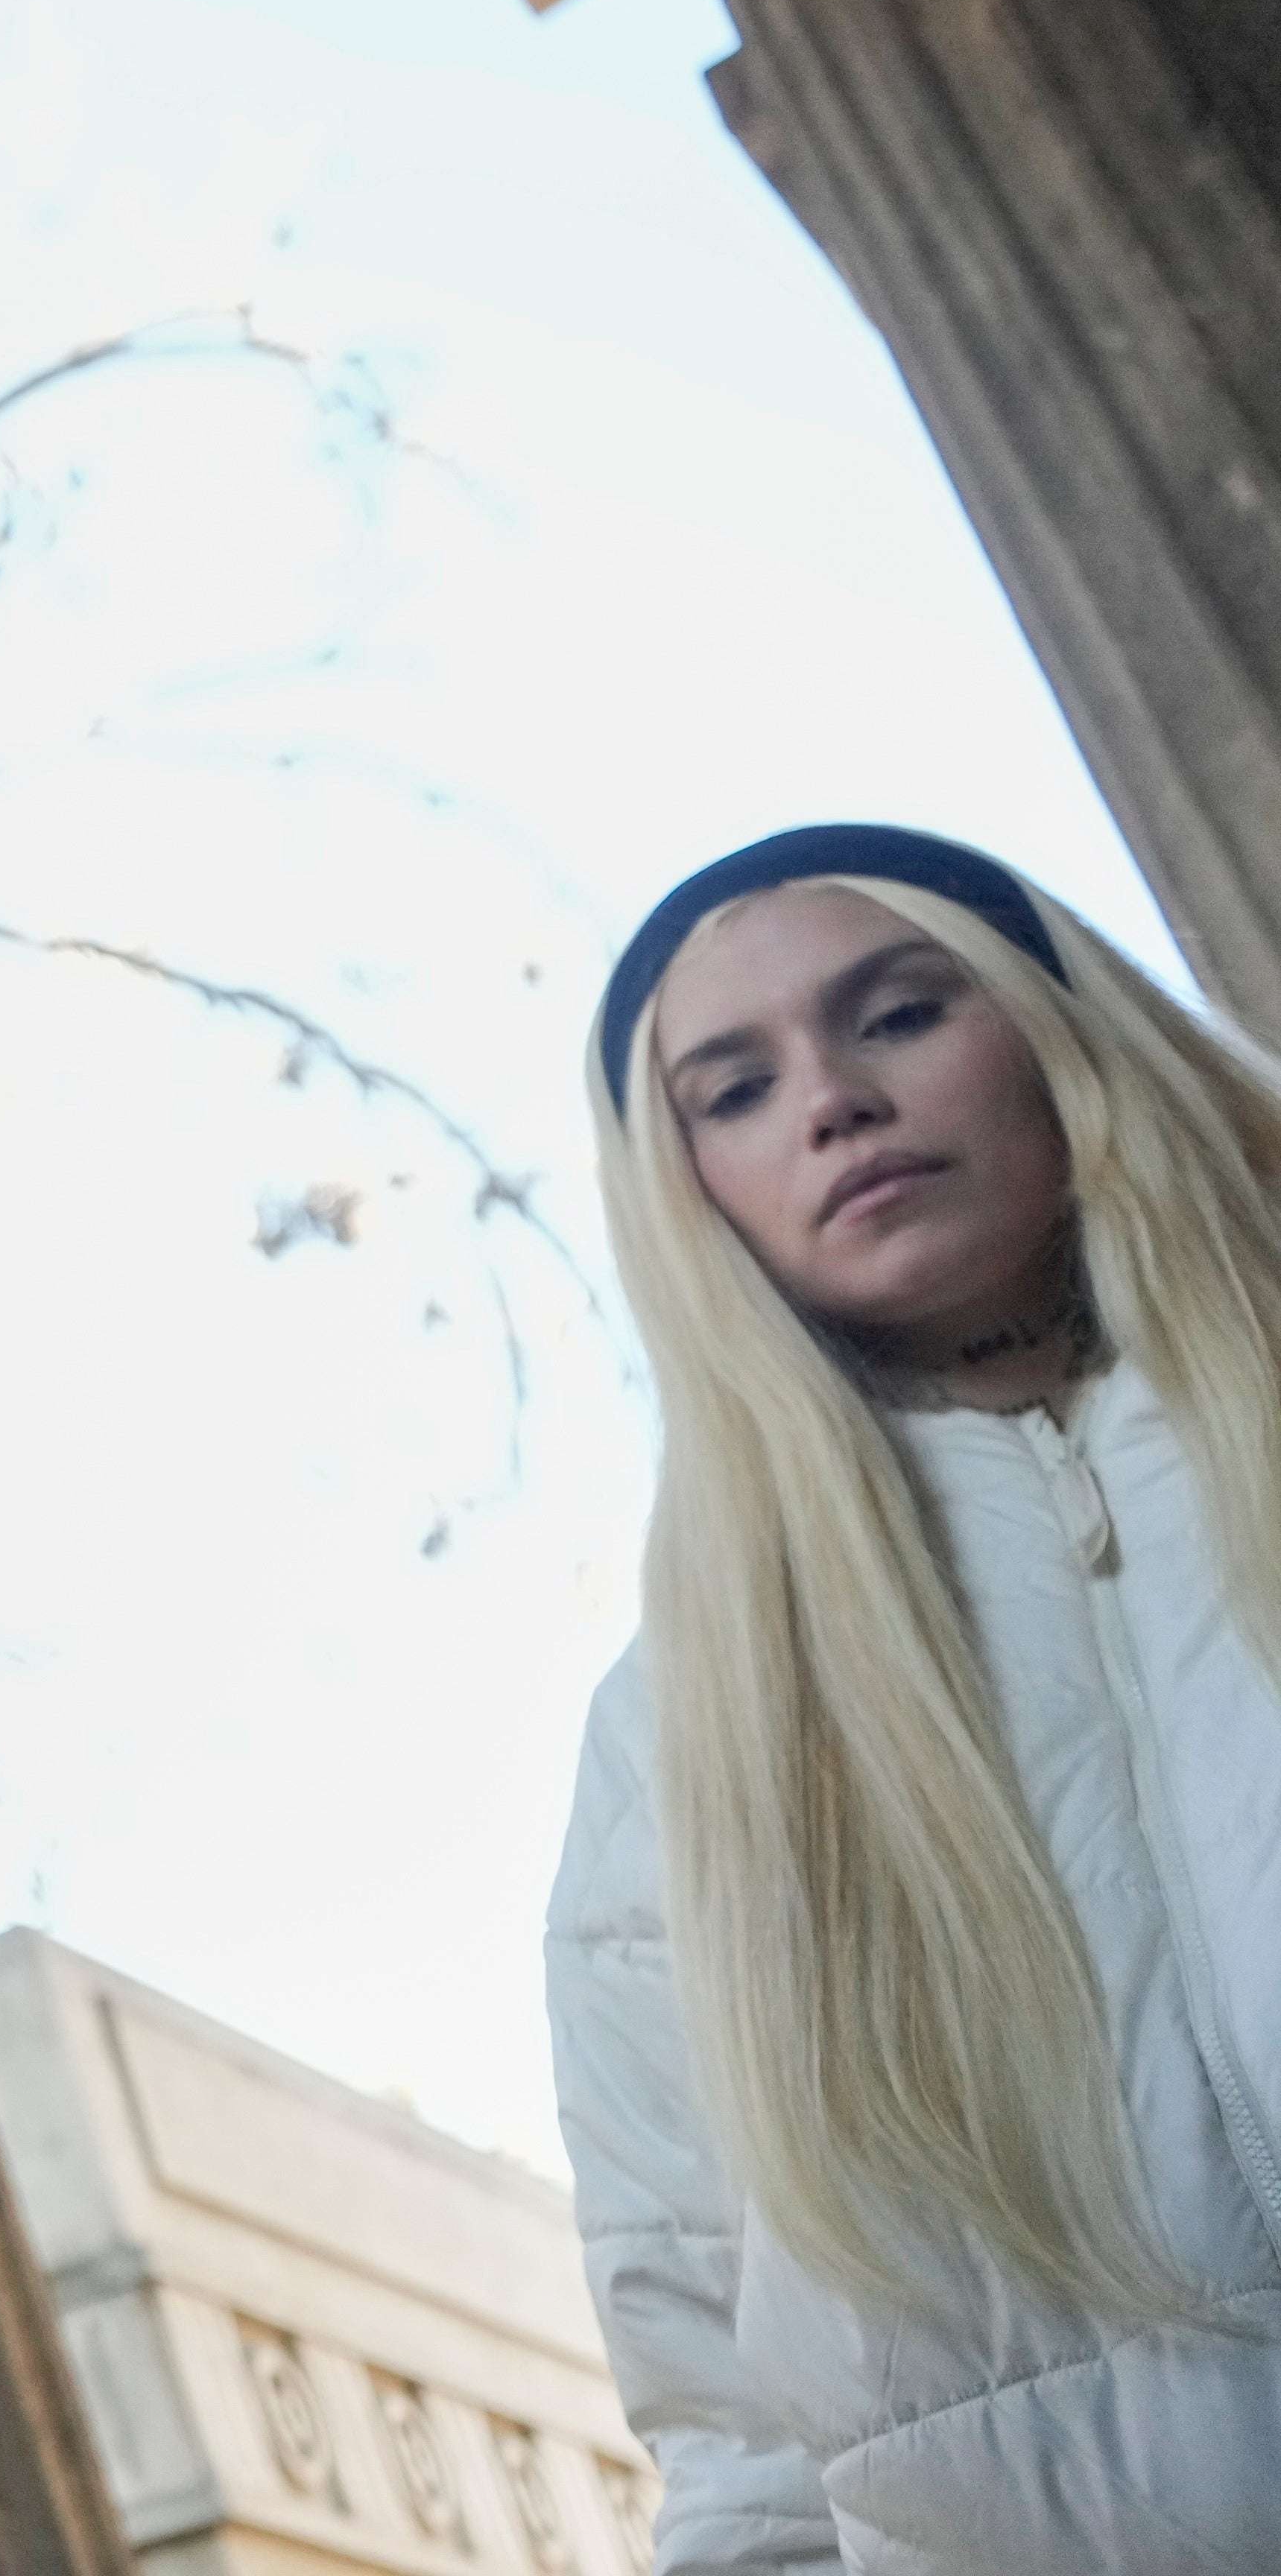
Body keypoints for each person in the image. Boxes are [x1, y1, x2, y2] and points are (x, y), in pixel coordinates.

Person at [545, 824, 1281, 2575]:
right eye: (733, 1088)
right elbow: (732, 2434)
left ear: (1051, 1029)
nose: (830, 1101)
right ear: (688, 1191)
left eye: (895, 1013)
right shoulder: (686, 1731)